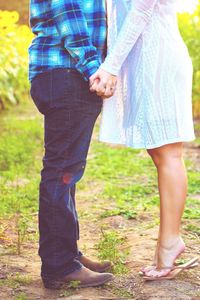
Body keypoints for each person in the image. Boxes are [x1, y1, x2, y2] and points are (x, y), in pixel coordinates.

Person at [90, 0, 197, 280]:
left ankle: (170, 243)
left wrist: (111, 66)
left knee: (168, 153)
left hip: (159, 58)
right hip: (146, 59)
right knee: (160, 153)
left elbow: (141, 9)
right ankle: (167, 242)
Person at [29, 0, 117, 289]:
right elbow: (69, 16)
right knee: (61, 171)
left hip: (65, 74)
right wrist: (95, 69)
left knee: (67, 171)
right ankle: (59, 265)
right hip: (67, 73)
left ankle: (68, 253)